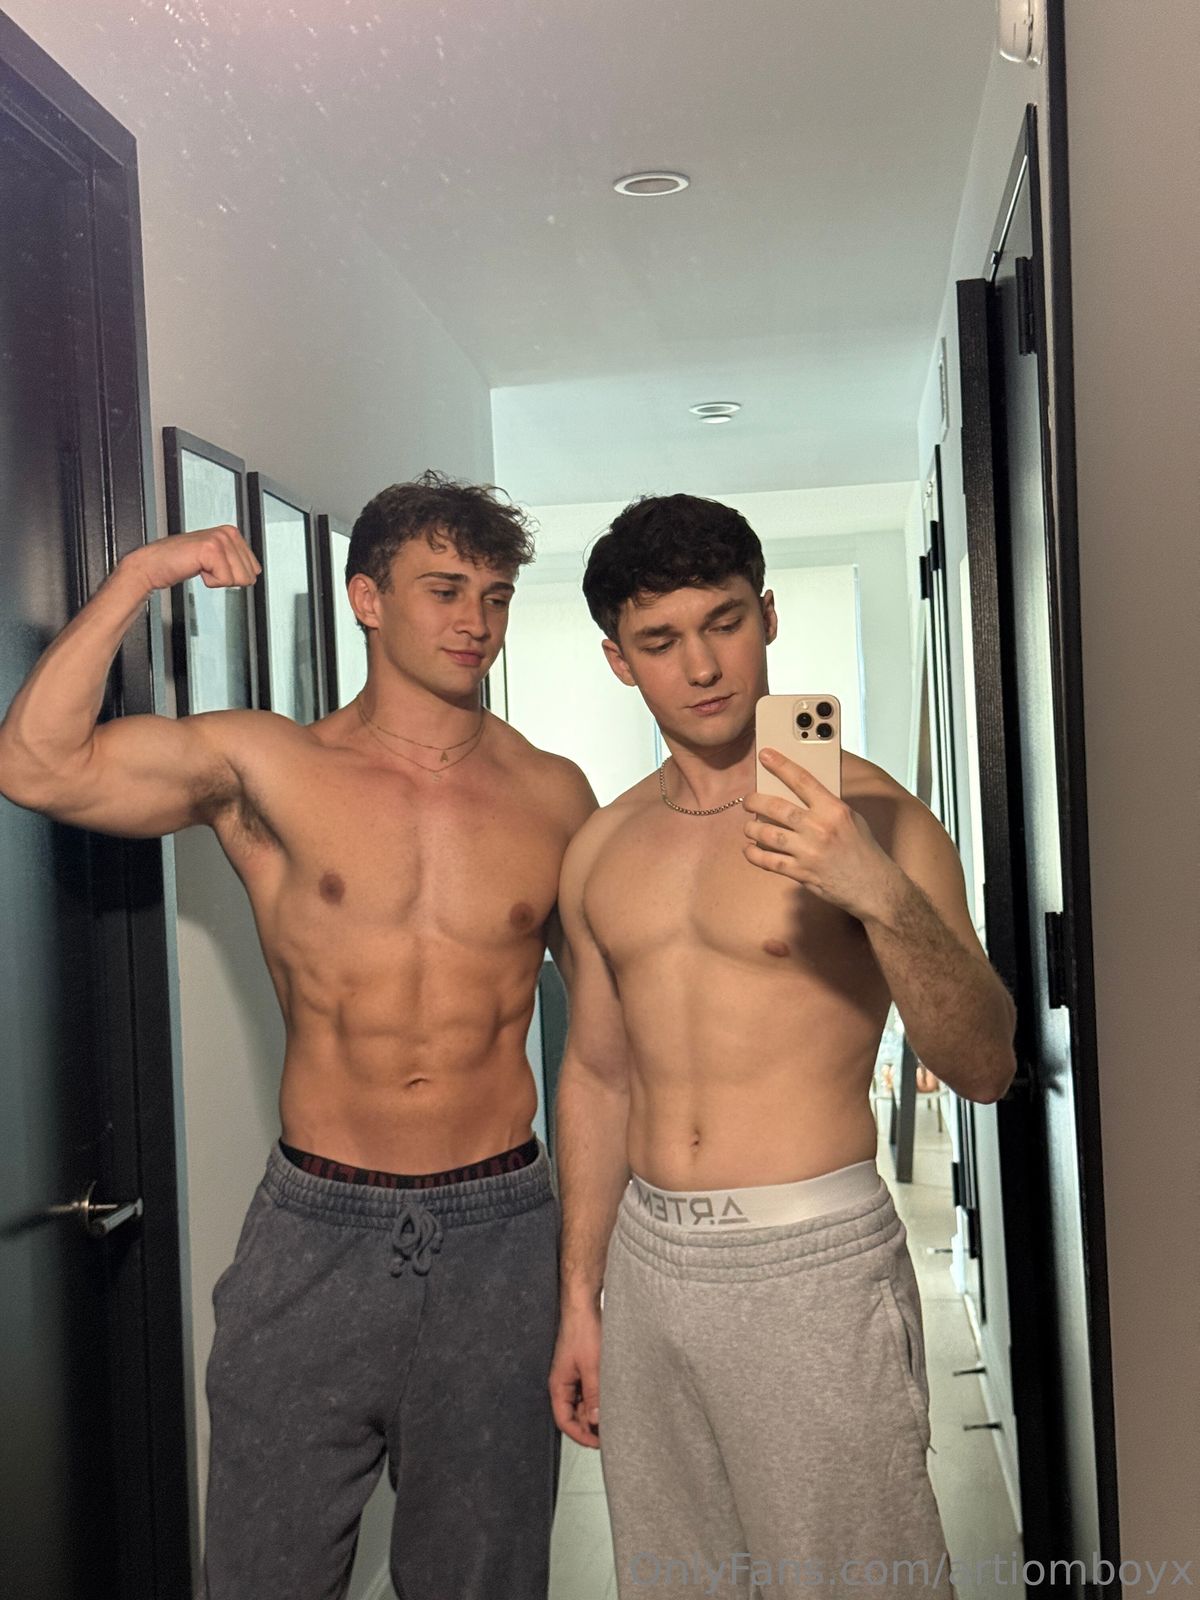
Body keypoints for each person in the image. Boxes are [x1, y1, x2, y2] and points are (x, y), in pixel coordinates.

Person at [0, 470, 596, 1600]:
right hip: (320, 1226)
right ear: (367, 599)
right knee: (263, 1575)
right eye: (444, 590)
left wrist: (590, 1280)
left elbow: (613, 1045)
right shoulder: (270, 764)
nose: (475, 621)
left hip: (502, 1230)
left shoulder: (555, 795)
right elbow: (36, 762)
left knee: (484, 1580)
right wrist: (140, 573)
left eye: (496, 596)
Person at [548, 494, 1016, 1598]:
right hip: (649, 1265)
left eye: (724, 622)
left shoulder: (879, 819)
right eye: (661, 640)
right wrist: (581, 1295)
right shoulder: (603, 844)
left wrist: (875, 891)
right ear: (619, 661)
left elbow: (985, 1065)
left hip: (813, 1262)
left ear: (766, 615)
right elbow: (599, 1076)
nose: (702, 665)